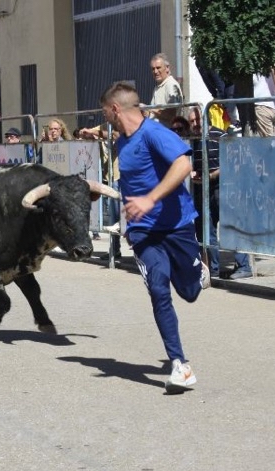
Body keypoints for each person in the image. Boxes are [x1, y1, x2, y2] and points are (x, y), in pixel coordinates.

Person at [100, 82, 207, 394]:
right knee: (158, 288)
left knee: (189, 292)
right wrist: (126, 218)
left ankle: (197, 271)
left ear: (115, 109)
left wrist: (151, 199)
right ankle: (180, 365)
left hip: (176, 225)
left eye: (105, 112)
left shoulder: (154, 133)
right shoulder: (122, 143)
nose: (105, 118)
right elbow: (131, 186)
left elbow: (184, 164)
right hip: (143, 232)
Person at [188, 106, 253, 279]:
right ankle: (213, 269)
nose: (195, 124)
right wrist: (194, 174)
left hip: (224, 187)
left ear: (205, 119)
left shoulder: (220, 136)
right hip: (203, 189)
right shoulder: (195, 139)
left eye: (197, 120)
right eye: (191, 121)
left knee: (231, 226)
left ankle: (244, 266)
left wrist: (210, 175)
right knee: (206, 229)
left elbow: (231, 162)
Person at [148, 52, 184, 127]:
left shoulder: (170, 85)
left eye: (158, 68)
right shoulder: (159, 86)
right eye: (153, 69)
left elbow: (172, 115)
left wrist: (150, 108)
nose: (155, 71)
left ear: (167, 68)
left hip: (167, 131)